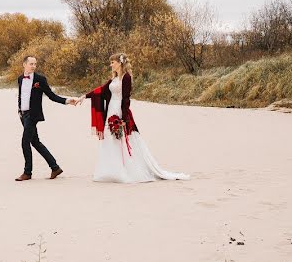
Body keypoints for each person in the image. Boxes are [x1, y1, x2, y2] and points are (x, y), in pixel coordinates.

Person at [73, 53, 189, 183]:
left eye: (113, 62)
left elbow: (126, 98)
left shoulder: (126, 78)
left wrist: (123, 117)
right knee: (110, 138)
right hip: (111, 109)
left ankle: (124, 171)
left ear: (119, 63)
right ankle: (111, 171)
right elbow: (101, 90)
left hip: (119, 109)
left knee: (120, 138)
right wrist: (84, 96)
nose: (111, 65)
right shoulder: (114, 79)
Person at [16, 55, 75, 181]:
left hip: (33, 116)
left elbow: (52, 96)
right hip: (23, 115)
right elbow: (22, 96)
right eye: (31, 64)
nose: (33, 66)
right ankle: (55, 167)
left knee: (25, 142)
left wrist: (67, 101)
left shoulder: (40, 80)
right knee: (35, 142)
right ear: (24, 64)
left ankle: (27, 172)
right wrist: (19, 111)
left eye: (35, 64)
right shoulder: (20, 79)